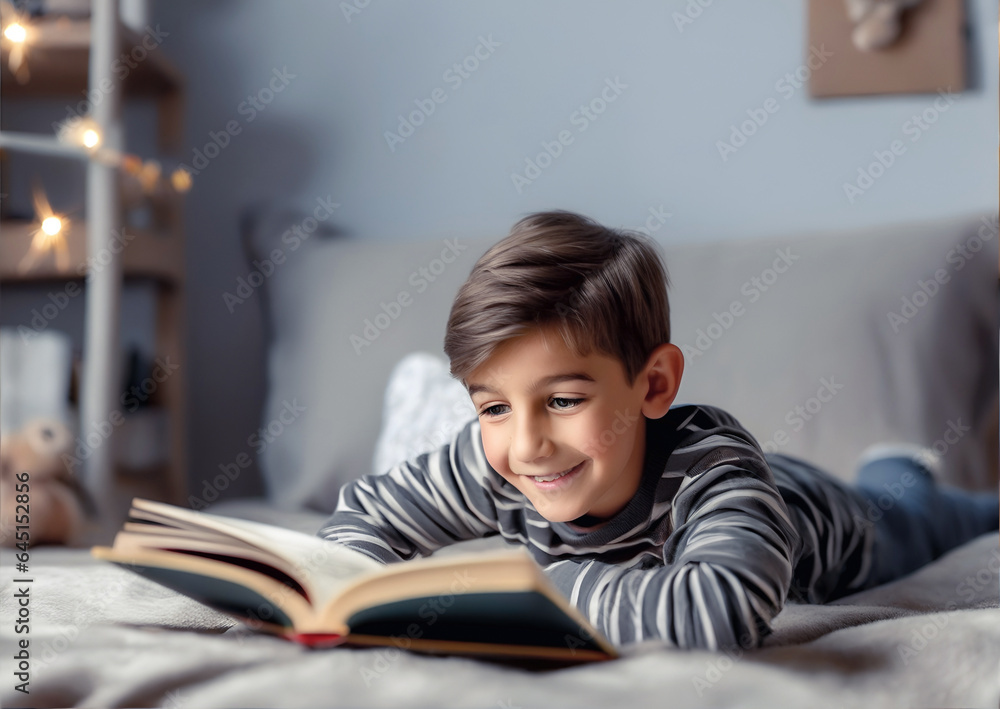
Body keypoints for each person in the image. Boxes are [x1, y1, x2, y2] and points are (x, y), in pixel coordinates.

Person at [317, 210, 999, 651]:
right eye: (492, 406)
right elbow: (364, 516)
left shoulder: (711, 474)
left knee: (922, 510)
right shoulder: (498, 462)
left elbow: (720, 608)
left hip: (832, 518)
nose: (525, 444)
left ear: (653, 385)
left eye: (561, 400)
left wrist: (520, 589)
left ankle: (901, 471)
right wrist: (351, 588)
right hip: (767, 485)